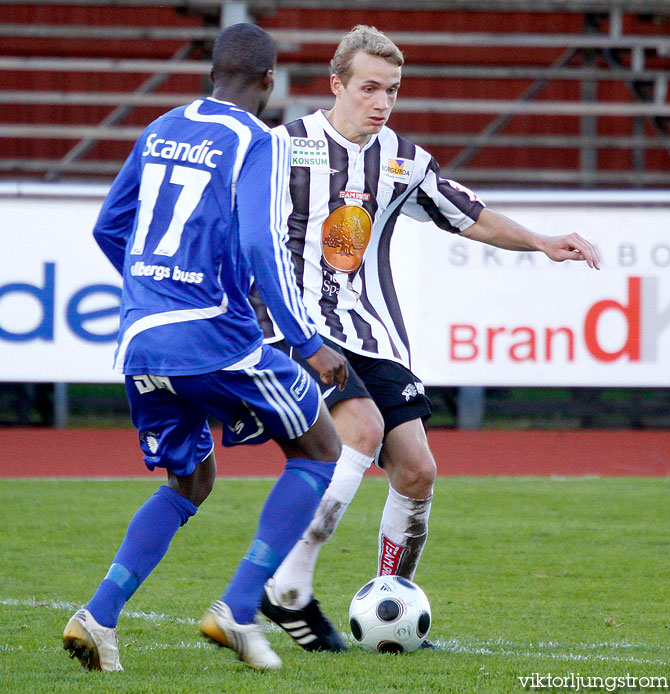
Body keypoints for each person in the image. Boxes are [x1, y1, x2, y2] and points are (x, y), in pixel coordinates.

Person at [253, 25, 601, 651]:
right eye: (368, 88)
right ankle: (286, 582)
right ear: (337, 85)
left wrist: (545, 242)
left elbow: (470, 214)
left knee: (417, 472)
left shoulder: (400, 159)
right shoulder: (283, 147)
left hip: (372, 331)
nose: (381, 101)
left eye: (392, 90)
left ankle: (390, 604)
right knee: (357, 432)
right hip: (298, 329)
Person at [61, 23, 349, 673]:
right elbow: (258, 244)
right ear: (269, 82)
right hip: (213, 336)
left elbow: (110, 227)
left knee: (192, 478)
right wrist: (305, 341)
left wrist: (151, 290)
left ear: (213, 72)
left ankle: (99, 616)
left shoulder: (162, 126)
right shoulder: (257, 140)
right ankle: (239, 608)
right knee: (321, 446)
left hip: (140, 338)